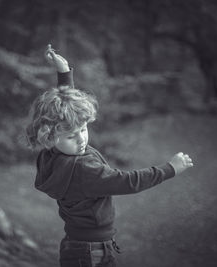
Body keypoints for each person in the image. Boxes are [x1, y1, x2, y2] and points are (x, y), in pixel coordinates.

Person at [25, 44, 194, 267]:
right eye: (71, 136)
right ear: (50, 138)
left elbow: (64, 113)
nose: (81, 139)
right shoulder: (83, 170)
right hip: (91, 253)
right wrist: (169, 169)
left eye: (83, 129)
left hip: (79, 246)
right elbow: (128, 182)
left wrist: (64, 74)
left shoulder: (52, 155)